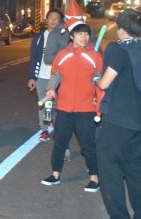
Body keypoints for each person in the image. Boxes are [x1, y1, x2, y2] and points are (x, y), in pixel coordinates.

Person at [94, 9, 141, 219]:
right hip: (139, 124)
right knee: (137, 171)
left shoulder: (117, 49)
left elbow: (105, 84)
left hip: (116, 122)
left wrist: (96, 79)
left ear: (122, 28)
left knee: (110, 170)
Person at [39, 19, 102, 192]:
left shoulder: (95, 56)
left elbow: (100, 80)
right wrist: (51, 88)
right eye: (80, 33)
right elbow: (55, 75)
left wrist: (99, 99)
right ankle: (55, 174)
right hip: (64, 107)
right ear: (72, 36)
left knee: (88, 144)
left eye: (87, 34)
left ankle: (94, 177)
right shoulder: (62, 54)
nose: (84, 37)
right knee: (59, 142)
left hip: (86, 108)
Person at [28, 8, 66, 142]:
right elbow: (33, 57)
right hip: (42, 76)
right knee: (44, 103)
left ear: (60, 21)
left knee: (55, 104)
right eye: (51, 18)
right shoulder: (39, 37)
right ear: (46, 20)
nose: (53, 20)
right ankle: (44, 129)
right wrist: (32, 77)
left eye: (56, 18)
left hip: (58, 76)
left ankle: (52, 120)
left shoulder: (64, 37)